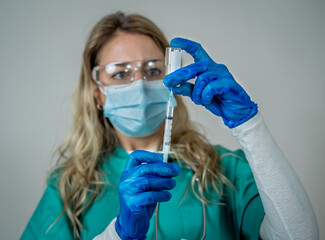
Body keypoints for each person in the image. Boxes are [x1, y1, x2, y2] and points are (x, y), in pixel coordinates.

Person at [21, 12, 319, 240]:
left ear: (171, 80)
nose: (139, 84)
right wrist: (120, 233)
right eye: (120, 73)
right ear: (97, 92)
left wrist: (249, 125)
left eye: (153, 70)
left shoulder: (224, 169)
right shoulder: (70, 187)